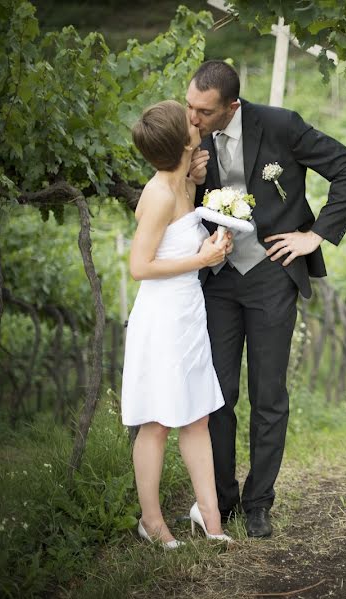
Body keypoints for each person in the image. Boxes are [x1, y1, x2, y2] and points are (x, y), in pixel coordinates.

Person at [186, 60, 346, 538]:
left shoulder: (281, 125)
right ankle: (221, 500)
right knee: (217, 394)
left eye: (203, 111)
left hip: (271, 272)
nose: (193, 118)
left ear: (232, 106)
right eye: (189, 106)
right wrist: (190, 175)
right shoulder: (189, 137)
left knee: (269, 394)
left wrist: (316, 236)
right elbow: (176, 206)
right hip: (218, 277)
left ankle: (258, 502)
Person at [122, 100, 234, 548]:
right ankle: (151, 521)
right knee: (156, 423)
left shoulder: (184, 182)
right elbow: (139, 266)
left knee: (197, 417)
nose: (196, 118)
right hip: (162, 318)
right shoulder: (160, 194)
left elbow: (178, 243)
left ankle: (209, 518)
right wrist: (202, 258)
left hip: (189, 314)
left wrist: (208, 243)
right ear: (179, 142)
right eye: (188, 119)